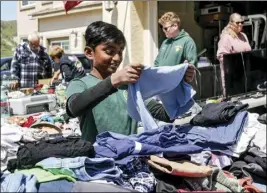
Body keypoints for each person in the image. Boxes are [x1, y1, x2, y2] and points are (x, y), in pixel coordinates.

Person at [66, 21, 195, 143]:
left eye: (120, 52)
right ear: (89, 52)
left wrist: (179, 82)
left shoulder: (129, 86)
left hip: (129, 156)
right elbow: (74, 108)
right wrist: (113, 81)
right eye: (109, 51)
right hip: (99, 161)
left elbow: (165, 114)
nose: (117, 58)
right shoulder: (80, 83)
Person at [217, 13, 252, 97]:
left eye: (242, 22)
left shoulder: (243, 36)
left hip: (245, 76)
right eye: (237, 22)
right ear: (231, 23)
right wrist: (236, 62)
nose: (240, 24)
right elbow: (221, 56)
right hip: (233, 79)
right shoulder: (226, 37)